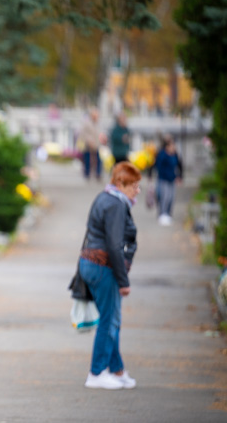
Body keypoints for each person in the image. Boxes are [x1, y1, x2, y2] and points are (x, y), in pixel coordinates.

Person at [78, 161, 141, 390]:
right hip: (103, 266)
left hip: (91, 264)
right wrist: (124, 281)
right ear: (121, 183)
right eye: (134, 185)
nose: (138, 190)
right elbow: (115, 246)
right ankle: (96, 372)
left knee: (110, 318)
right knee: (110, 320)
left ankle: (117, 369)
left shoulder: (104, 197)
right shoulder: (115, 204)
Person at [150, 135, 183, 226]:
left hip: (172, 179)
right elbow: (157, 166)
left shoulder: (174, 154)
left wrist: (179, 176)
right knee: (165, 197)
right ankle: (162, 214)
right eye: (172, 145)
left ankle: (168, 214)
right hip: (163, 179)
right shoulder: (162, 154)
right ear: (167, 146)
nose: (174, 147)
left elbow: (180, 165)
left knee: (172, 197)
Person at [79, 108, 101, 181]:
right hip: (88, 145)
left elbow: (99, 134)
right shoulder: (87, 123)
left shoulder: (98, 123)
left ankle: (98, 173)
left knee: (98, 160)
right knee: (87, 160)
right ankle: (87, 174)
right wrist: (89, 141)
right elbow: (83, 134)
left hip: (96, 144)